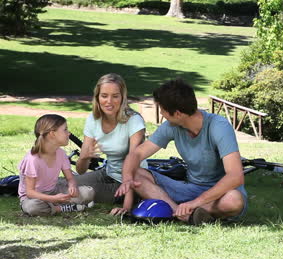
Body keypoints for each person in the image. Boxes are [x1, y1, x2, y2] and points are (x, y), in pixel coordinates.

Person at [115, 79, 247, 225]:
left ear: (177, 113)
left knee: (234, 200)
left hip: (220, 194)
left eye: (162, 109)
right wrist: (127, 179)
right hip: (190, 189)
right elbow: (137, 154)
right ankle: (180, 213)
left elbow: (235, 177)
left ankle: (195, 210)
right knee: (136, 173)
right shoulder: (171, 126)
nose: (162, 114)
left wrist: (196, 202)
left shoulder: (219, 127)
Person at [73, 73, 147, 215]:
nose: (109, 101)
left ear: (122, 98)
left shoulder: (134, 120)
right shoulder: (93, 120)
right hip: (108, 173)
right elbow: (81, 170)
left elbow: (133, 165)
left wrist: (126, 207)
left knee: (75, 190)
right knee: (66, 183)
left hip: (132, 182)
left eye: (115, 96)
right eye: (104, 95)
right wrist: (84, 157)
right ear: (97, 97)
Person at [18, 114, 95, 216]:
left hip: (53, 191)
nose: (69, 133)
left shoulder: (61, 153)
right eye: (65, 130)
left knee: (88, 192)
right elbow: (30, 192)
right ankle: (61, 208)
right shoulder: (32, 159)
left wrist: (72, 187)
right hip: (33, 198)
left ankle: (55, 206)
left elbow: (70, 178)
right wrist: (54, 198)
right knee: (32, 207)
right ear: (52, 134)